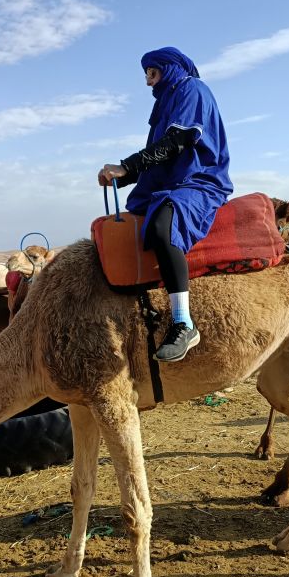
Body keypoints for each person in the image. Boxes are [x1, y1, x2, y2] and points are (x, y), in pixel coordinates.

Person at [98, 47, 232, 362]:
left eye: (152, 73)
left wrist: (127, 167)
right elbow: (158, 157)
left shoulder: (191, 89)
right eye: (146, 74)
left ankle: (184, 323)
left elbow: (178, 142)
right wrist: (123, 177)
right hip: (169, 183)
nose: (148, 82)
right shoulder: (165, 103)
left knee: (161, 228)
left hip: (199, 181)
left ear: (169, 69)